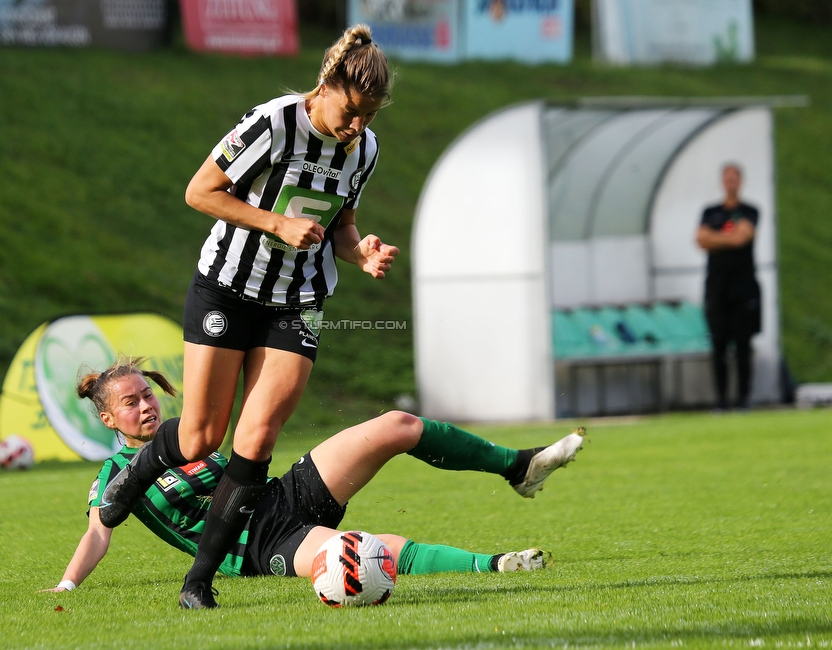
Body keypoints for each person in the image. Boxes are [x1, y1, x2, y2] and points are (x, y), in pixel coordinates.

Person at [96, 24, 400, 608]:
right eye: (351, 110)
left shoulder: (365, 148)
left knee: (255, 439)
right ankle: (133, 478)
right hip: (228, 289)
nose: (357, 126)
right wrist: (276, 224)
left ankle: (198, 584)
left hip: (300, 299)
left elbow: (340, 225)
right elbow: (201, 192)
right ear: (326, 84)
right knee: (198, 437)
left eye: (370, 115)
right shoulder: (274, 122)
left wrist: (361, 252)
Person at [44, 359, 586, 600]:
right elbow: (99, 531)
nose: (144, 406)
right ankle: (493, 564)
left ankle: (518, 466)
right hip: (256, 545)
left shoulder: (192, 437)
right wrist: (67, 586)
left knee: (396, 425)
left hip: (281, 496)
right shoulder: (116, 475)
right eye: (129, 403)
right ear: (109, 419)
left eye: (146, 395)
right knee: (357, 552)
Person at [695, 163, 761, 411]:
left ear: (740, 181)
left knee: (743, 345)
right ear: (722, 181)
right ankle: (721, 400)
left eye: (734, 178)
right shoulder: (710, 211)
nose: (730, 182)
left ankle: (743, 398)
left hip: (742, 287)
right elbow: (700, 239)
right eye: (727, 178)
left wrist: (715, 239)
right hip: (717, 286)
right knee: (718, 344)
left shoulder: (749, 211)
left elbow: (741, 238)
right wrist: (726, 239)